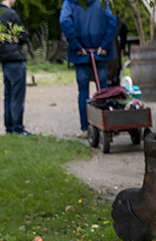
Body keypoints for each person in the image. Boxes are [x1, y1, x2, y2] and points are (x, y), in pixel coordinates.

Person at [59, 0, 117, 139]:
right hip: (99, 51)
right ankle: (106, 125)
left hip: (81, 52)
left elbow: (64, 21)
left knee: (83, 91)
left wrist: (76, 45)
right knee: (103, 89)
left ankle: (86, 128)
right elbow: (112, 21)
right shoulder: (102, 2)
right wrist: (104, 44)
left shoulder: (70, 3)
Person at [0, 0, 30, 135]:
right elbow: (23, 35)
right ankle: (17, 127)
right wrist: (19, 38)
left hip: (3, 58)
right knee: (17, 95)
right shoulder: (11, 14)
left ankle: (9, 126)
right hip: (15, 57)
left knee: (8, 94)